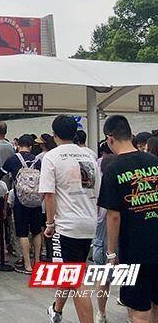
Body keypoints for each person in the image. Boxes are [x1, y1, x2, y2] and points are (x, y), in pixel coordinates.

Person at [39, 115, 100, 323]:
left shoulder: (52, 157)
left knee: (76, 279)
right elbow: (96, 190)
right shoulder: (89, 155)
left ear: (54, 135)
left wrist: (50, 224)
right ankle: (56, 310)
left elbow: (49, 194)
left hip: (68, 225)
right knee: (71, 269)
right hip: (89, 221)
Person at [98, 115, 158, 323]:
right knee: (155, 303)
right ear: (131, 135)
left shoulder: (113, 169)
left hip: (134, 249)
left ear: (110, 138)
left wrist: (111, 253)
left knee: (137, 309)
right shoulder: (154, 162)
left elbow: (113, 216)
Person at [0, 134, 43, 274]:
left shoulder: (12, 159)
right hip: (36, 201)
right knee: (36, 231)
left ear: (18, 145)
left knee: (22, 233)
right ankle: (37, 262)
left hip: (20, 202)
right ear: (31, 146)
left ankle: (27, 265)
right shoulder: (37, 160)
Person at [91, 154, 117, 323]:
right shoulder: (118, 186)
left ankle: (101, 313)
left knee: (103, 278)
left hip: (100, 237)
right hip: (117, 236)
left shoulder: (96, 187)